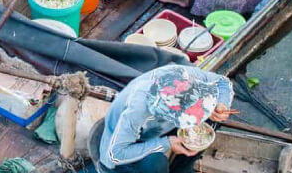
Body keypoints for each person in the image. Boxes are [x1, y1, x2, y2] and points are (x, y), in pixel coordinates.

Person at [98, 64, 235, 173]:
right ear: (165, 113)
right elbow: (114, 154)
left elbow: (222, 82)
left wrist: (221, 104)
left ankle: (182, 169)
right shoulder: (138, 111)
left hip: (160, 127)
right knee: (156, 163)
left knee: (208, 125)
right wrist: (166, 143)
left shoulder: (183, 74)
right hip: (127, 146)